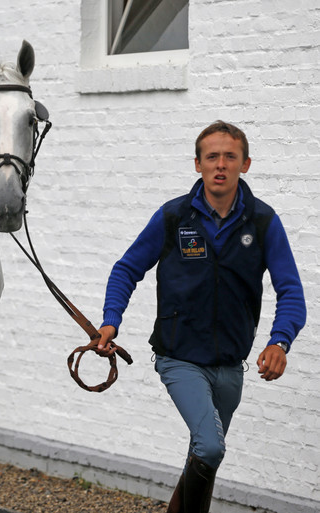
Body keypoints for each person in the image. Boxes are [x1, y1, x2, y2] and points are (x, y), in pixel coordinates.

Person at [95, 121, 306, 513]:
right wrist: (111, 320)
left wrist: (280, 341)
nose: (221, 164)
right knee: (210, 444)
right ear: (197, 164)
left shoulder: (262, 222)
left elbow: (291, 290)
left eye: (230, 156)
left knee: (203, 455)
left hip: (231, 364)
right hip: (179, 356)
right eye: (212, 157)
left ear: (246, 163)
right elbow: (126, 269)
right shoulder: (174, 217)